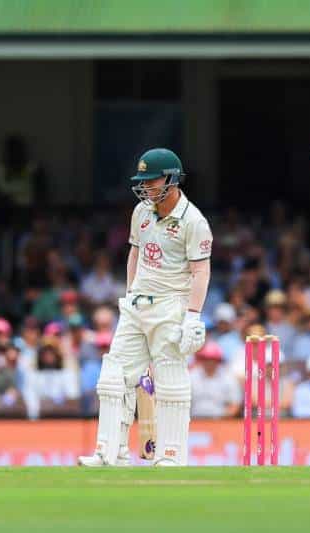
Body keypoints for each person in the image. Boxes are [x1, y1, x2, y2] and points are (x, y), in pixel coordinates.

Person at [79, 148, 212, 466]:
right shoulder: (141, 211)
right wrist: (129, 294)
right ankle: (109, 452)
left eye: (152, 181)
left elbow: (201, 271)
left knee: (169, 378)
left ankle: (170, 454)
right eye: (144, 182)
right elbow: (135, 254)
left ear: (172, 179)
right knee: (114, 375)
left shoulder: (193, 221)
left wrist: (192, 316)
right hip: (137, 304)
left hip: (170, 305)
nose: (147, 188)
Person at [189, 342, 241, 419]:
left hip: (219, 420)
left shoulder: (228, 378)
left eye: (213, 359)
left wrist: (223, 419)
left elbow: (235, 405)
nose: (209, 362)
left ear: (218, 361)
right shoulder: (191, 376)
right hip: (193, 419)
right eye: (205, 359)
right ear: (201, 360)